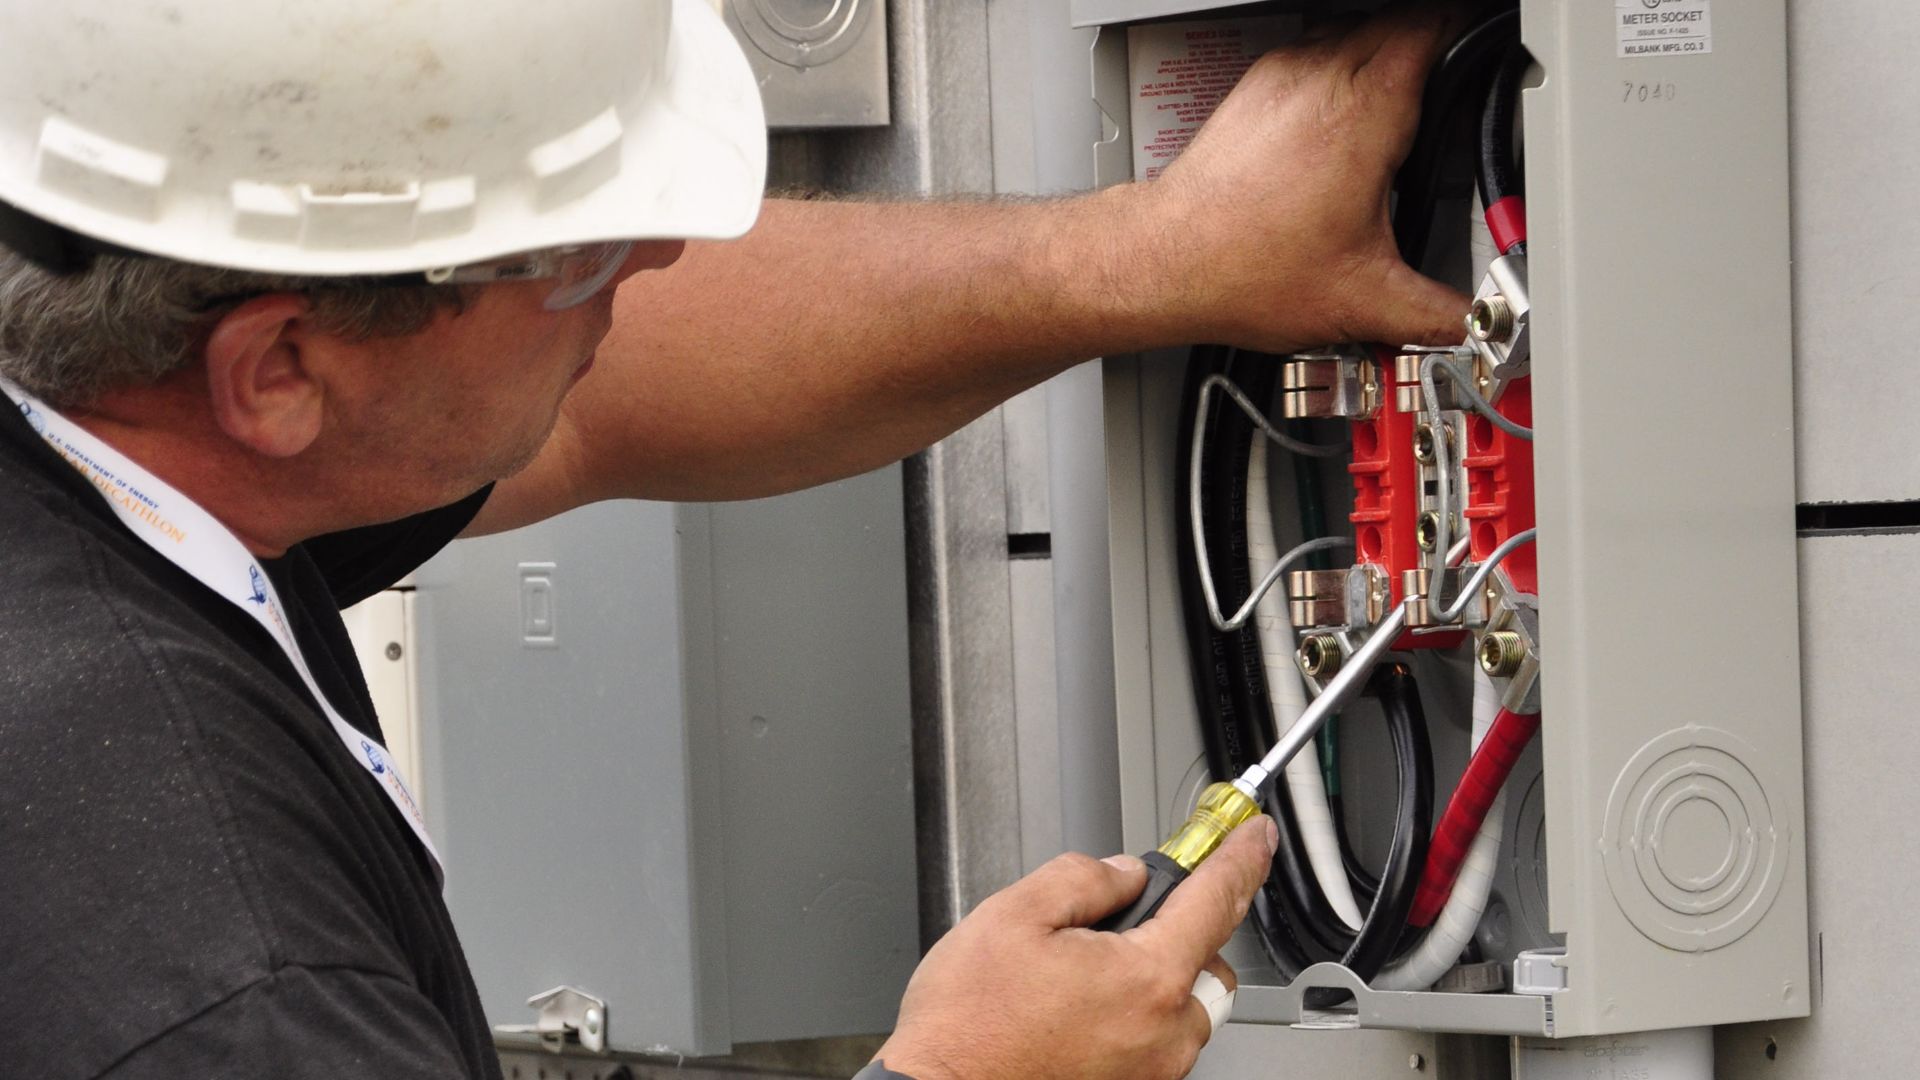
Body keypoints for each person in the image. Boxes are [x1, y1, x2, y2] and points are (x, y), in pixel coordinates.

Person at [0, 2, 1464, 1078]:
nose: (662, 257)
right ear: (280, 372)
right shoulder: (222, 980)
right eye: (580, 248)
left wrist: (1165, 252)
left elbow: (600, 392)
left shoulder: (118, 374)